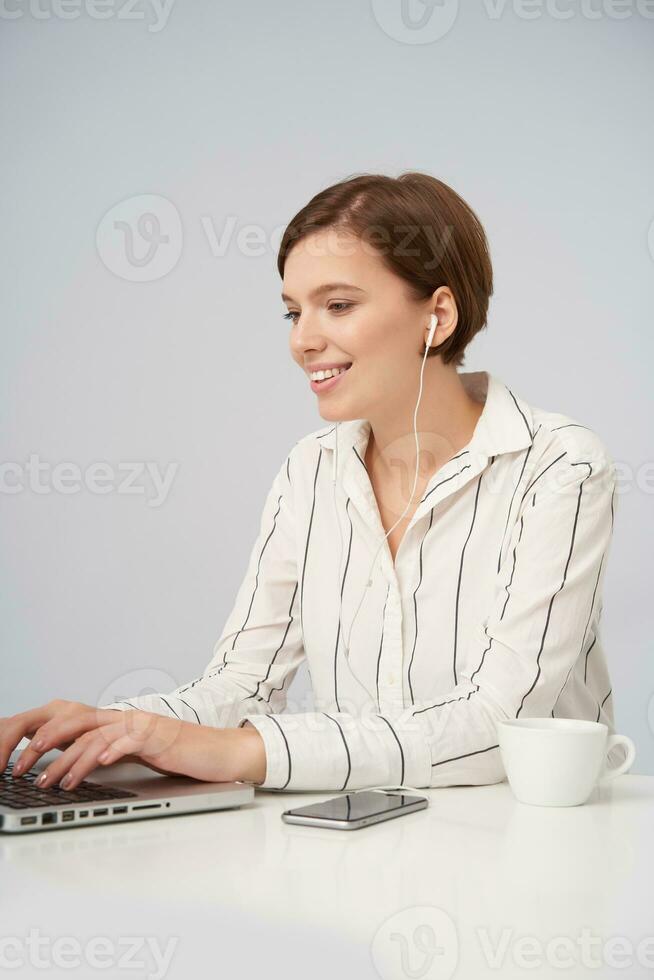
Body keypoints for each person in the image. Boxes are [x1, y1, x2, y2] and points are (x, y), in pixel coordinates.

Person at [1, 172, 618, 794]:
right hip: (359, 842)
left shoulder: (559, 467)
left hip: (529, 853)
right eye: (294, 311)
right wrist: (121, 727)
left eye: (339, 305)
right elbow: (244, 681)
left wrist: (248, 752)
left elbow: (500, 723)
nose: (303, 340)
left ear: (438, 314)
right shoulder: (312, 470)